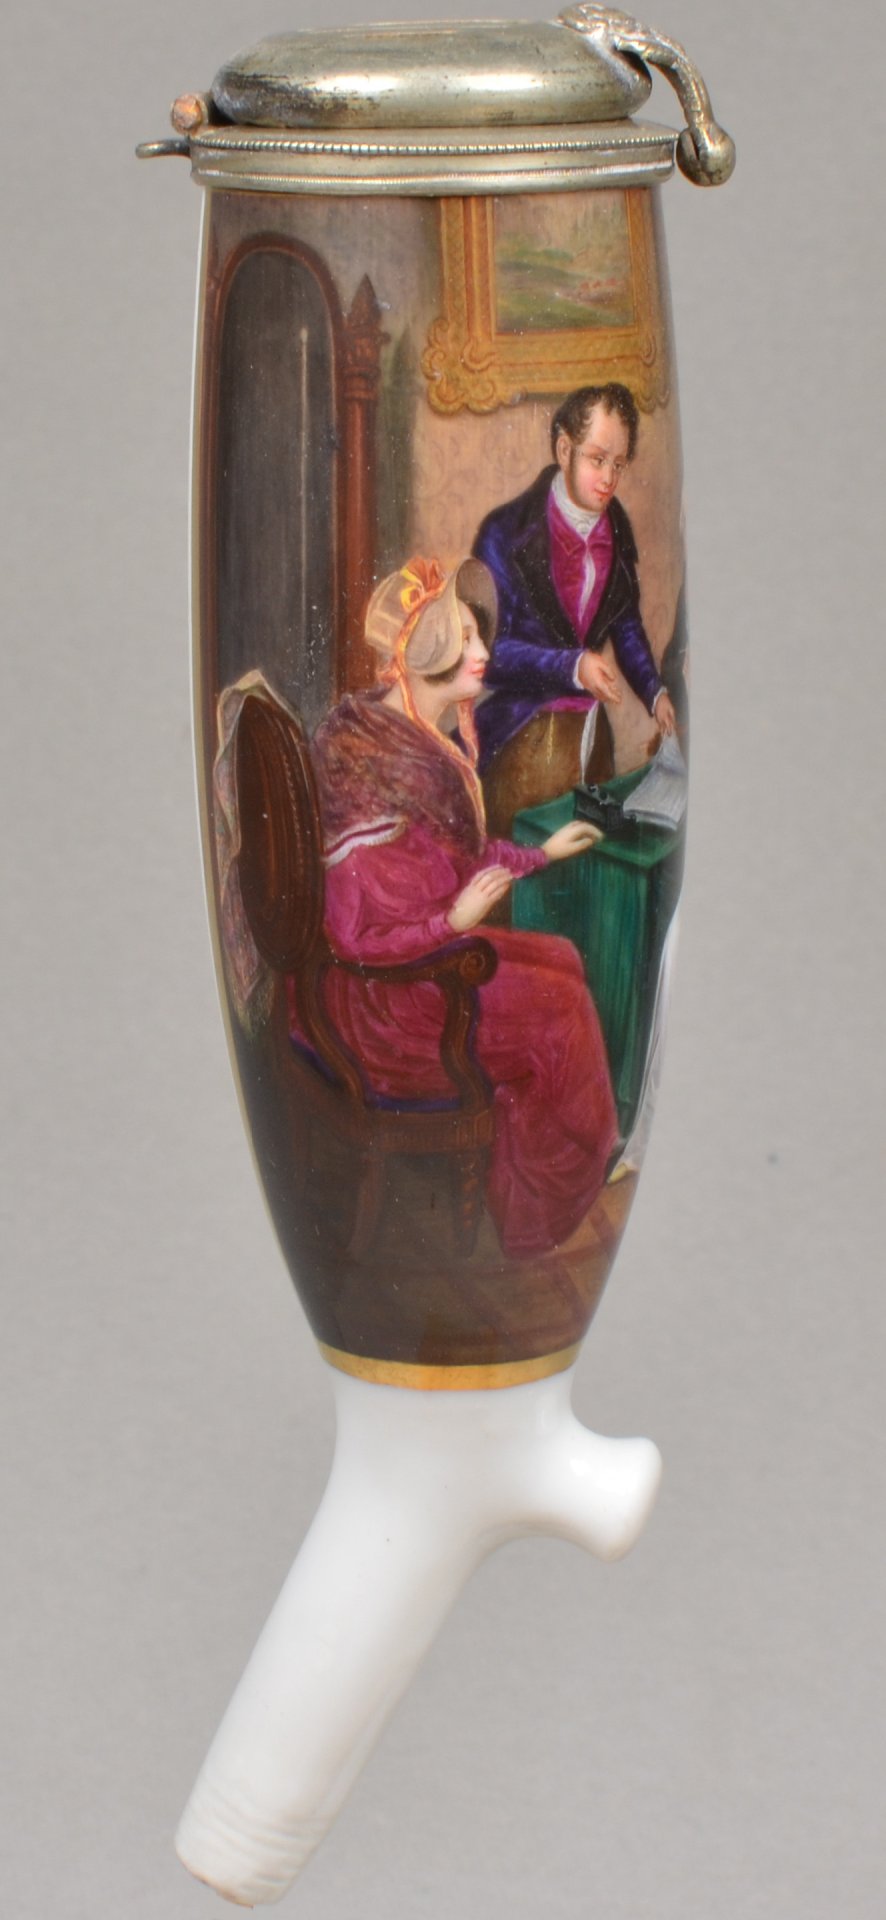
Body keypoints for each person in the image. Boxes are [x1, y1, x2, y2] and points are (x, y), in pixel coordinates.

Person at [302, 556, 618, 1261]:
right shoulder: (369, 760)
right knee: (561, 1012)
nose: (483, 653)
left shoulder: (412, 737)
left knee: (566, 960)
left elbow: (457, 863)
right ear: (427, 651)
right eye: (466, 638)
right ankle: (537, 1211)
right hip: (385, 1002)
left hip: (424, 963)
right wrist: (454, 923)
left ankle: (539, 1183)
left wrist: (542, 854)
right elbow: (354, 938)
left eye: (478, 636)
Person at [472, 382, 677, 779]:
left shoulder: (616, 530)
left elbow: (626, 626)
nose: (609, 478)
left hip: (587, 737)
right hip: (516, 733)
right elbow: (489, 655)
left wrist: (655, 693)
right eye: (597, 460)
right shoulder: (506, 532)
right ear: (565, 450)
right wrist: (572, 665)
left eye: (619, 465)